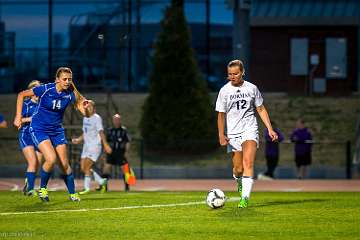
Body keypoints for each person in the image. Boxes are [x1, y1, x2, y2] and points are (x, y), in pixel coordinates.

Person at [13, 67, 89, 202]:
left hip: (57, 130)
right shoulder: (46, 89)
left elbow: (85, 113)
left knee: (64, 164)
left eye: (69, 79)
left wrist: (86, 108)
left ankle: (72, 194)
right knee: (51, 158)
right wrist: (18, 117)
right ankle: (42, 189)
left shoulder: (71, 93)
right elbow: (21, 95)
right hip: (39, 128)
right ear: (57, 80)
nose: (67, 82)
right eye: (64, 79)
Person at [216, 59, 278, 208]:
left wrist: (269, 128)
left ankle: (244, 199)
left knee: (248, 162)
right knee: (238, 169)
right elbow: (221, 115)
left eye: (235, 73)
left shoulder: (252, 88)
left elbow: (261, 109)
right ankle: (239, 180)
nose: (232, 76)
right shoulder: (224, 91)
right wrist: (221, 134)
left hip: (249, 129)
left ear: (242, 72)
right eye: (230, 74)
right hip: (233, 133)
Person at [72, 100, 112, 194]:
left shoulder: (97, 118)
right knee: (83, 167)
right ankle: (101, 181)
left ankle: (87, 188)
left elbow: (101, 132)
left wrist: (105, 145)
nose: (87, 108)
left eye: (89, 106)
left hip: (94, 146)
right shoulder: (85, 118)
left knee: (86, 167)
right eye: (86, 106)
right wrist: (78, 139)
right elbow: (85, 132)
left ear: (94, 109)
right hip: (86, 146)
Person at [19, 80, 43, 196]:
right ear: (32, 90)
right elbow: (18, 121)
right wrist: (30, 119)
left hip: (39, 136)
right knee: (32, 162)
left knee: (37, 163)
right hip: (27, 135)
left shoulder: (43, 104)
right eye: (38, 87)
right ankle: (30, 189)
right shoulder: (26, 104)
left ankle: (28, 182)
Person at [100, 113, 132, 192]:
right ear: (113, 121)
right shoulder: (110, 130)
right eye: (115, 119)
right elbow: (105, 142)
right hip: (111, 152)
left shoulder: (124, 130)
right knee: (106, 169)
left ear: (120, 120)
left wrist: (126, 152)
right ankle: (104, 187)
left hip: (120, 152)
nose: (116, 121)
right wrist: (104, 153)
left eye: (118, 119)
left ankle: (127, 187)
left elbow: (127, 142)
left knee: (125, 169)